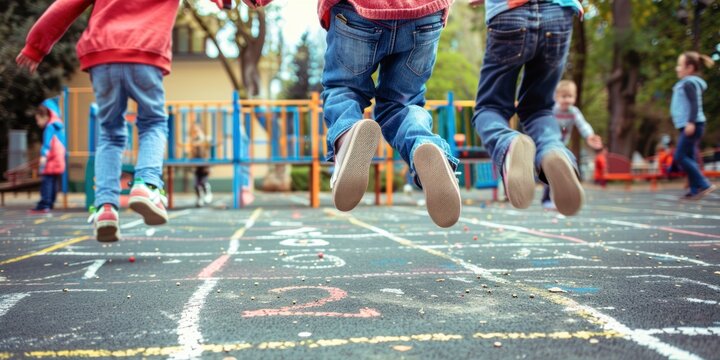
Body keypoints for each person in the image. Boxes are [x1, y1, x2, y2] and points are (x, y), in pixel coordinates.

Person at [17, 0, 226, 241]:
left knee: (110, 133)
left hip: (102, 55)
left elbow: (66, 4)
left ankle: (105, 208)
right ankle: (147, 186)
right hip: (145, 52)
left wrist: (35, 46)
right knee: (153, 123)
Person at [245, 0, 462, 227]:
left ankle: (347, 135)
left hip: (358, 12)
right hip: (425, 15)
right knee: (402, 104)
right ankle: (423, 142)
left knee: (344, 90)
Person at [469, 0, 585, 216]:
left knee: (490, 107)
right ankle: (553, 150)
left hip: (509, 12)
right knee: (539, 109)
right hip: (559, 13)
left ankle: (508, 143)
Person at [541, 80, 602, 210]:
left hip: (562, 145)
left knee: (564, 166)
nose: (567, 100)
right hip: (548, 143)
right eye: (564, 96)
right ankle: (546, 198)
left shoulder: (573, 111)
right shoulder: (552, 109)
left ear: (574, 97)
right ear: (556, 97)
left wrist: (589, 135)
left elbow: (582, 124)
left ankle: (564, 193)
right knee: (550, 171)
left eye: (570, 96)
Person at [670, 51, 716, 200]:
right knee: (689, 156)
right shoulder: (686, 83)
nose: (677, 68)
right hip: (688, 125)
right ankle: (695, 189)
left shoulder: (689, 83)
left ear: (689, 68)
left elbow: (694, 104)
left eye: (680, 65)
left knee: (680, 156)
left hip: (693, 124)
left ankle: (704, 183)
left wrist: (690, 122)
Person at [30, 98, 66, 214]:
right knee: (54, 181)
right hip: (59, 159)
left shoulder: (49, 128)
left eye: (38, 120)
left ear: (45, 117)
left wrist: (43, 156)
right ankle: (50, 203)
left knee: (47, 181)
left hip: (51, 159)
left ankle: (44, 204)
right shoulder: (59, 126)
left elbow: (47, 143)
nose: (37, 123)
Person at [189, 123, 213, 207]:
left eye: (197, 131)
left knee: (203, 182)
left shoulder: (205, 140)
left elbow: (208, 147)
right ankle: (199, 198)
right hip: (196, 165)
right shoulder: (192, 142)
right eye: (194, 131)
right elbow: (191, 153)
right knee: (196, 184)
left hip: (204, 165)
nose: (196, 133)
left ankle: (207, 193)